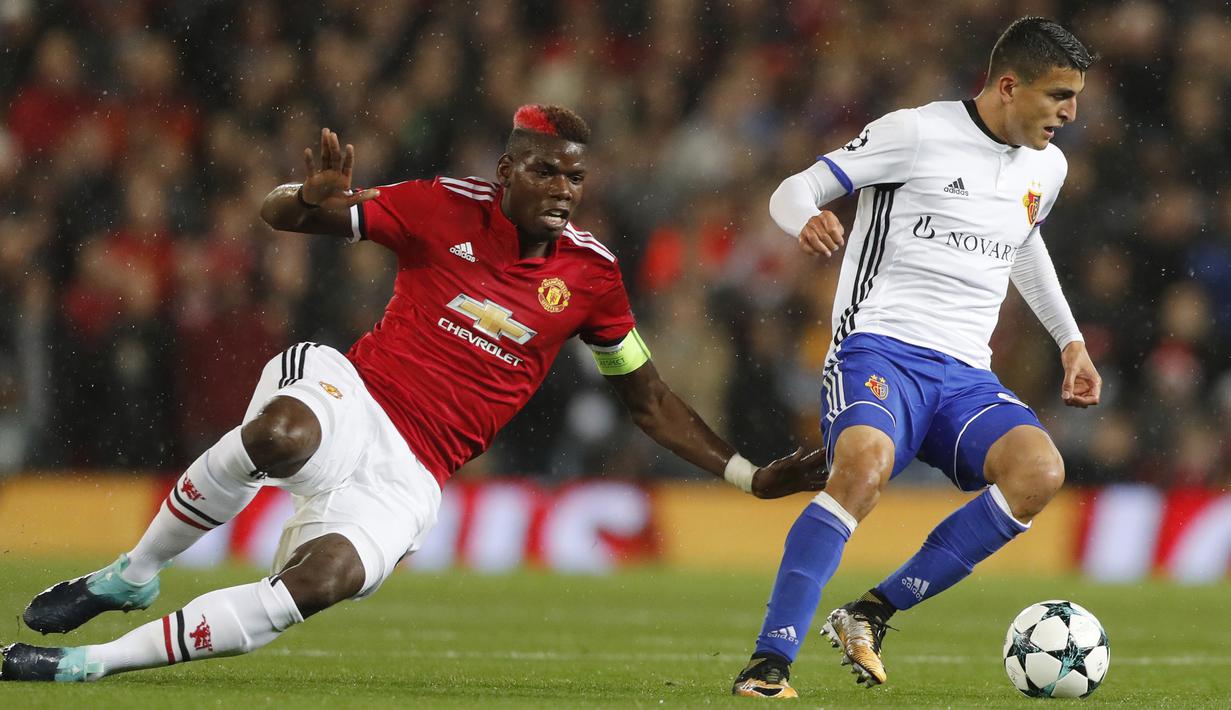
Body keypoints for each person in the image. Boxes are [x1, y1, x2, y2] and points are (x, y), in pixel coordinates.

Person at [1, 105, 828, 682]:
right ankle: (134, 572)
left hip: (414, 474)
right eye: (546, 172)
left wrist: (750, 477)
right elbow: (282, 217)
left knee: (316, 585)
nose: (564, 191)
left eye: (575, 178)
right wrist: (302, 200)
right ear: (506, 171)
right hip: (350, 393)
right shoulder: (439, 205)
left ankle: (91, 665)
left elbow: (647, 400)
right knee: (279, 435)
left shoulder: (593, 276)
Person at [730, 18, 1101, 699]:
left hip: (964, 375)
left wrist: (1068, 339)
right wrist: (804, 218)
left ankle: (869, 612)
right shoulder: (914, 133)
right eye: (1058, 96)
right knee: (862, 467)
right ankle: (766, 665)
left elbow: (1023, 242)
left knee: (1039, 470)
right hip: (878, 348)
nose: (1070, 113)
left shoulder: (1047, 168)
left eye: (1074, 97)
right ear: (1008, 85)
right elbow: (794, 188)